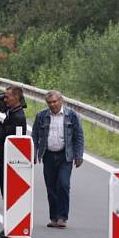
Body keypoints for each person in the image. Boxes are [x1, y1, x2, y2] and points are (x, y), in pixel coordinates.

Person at [31, 90, 85, 229]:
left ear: (61, 101)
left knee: (63, 184)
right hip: (48, 155)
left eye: (55, 102)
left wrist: (79, 155)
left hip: (65, 155)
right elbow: (35, 136)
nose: (52, 105)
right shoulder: (42, 116)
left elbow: (79, 136)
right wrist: (34, 153)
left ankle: (62, 217)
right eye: (49, 102)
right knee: (51, 188)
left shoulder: (72, 115)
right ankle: (54, 217)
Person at [0, 85, 28, 195]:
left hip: (10, 158)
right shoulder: (12, 111)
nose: (4, 100)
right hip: (7, 157)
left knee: (8, 186)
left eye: (7, 97)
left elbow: (0, 134)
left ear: (16, 98)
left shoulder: (17, 117)